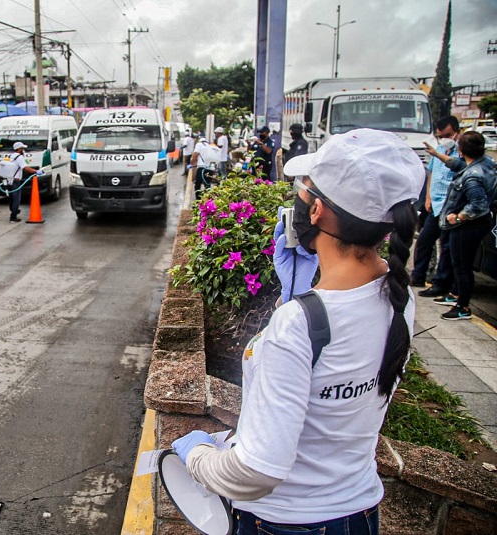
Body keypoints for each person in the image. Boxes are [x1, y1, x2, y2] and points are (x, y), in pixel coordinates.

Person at [172, 129, 424, 534]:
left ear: (318, 211)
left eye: (302, 191)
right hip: (357, 513)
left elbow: (255, 473)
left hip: (286, 522)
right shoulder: (398, 296)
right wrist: (297, 294)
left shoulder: (299, 326)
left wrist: (196, 454)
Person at [426, 131, 496, 320]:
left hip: (467, 227)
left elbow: (478, 205)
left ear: (462, 149)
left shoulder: (473, 176)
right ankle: (456, 295)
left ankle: (462, 307)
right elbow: (456, 164)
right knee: (461, 263)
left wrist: (458, 218)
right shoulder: (485, 164)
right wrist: (436, 153)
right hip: (476, 225)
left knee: (462, 265)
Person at [412, 116, 460, 294]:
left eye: (447, 135)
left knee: (446, 247)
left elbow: (456, 167)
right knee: (424, 240)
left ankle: (440, 284)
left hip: (451, 207)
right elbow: (431, 172)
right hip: (435, 204)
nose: (443, 139)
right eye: (440, 136)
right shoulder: (439, 148)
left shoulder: (460, 153)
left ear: (457, 132)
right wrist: (428, 198)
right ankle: (418, 276)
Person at [7, 141, 41, 223]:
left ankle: (13, 210)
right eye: (22, 148)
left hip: (9, 180)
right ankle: (13, 217)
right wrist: (36, 171)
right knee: (16, 199)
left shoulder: (11, 156)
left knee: (11, 198)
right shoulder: (19, 157)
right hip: (15, 181)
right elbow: (25, 168)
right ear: (19, 149)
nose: (23, 150)